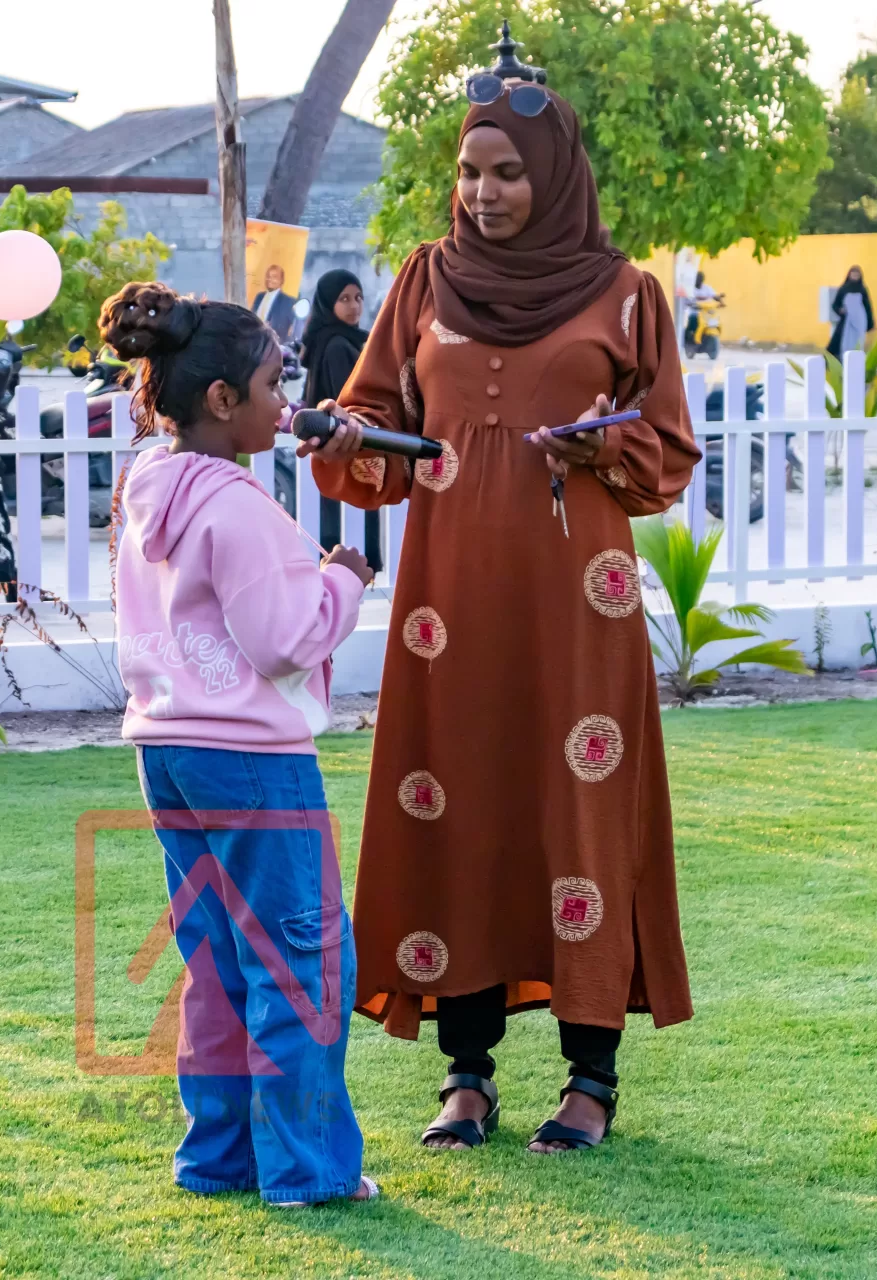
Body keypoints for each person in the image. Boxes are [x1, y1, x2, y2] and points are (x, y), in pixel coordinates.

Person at [303, 47, 701, 1154]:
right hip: (448, 604)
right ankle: (465, 1074)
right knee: (455, 803)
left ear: (554, 175)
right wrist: (346, 436)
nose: (485, 191)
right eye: (471, 171)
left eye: (507, 173)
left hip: (579, 602)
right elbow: (377, 422)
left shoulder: (627, 296)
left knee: (576, 806)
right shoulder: (424, 282)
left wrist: (603, 441)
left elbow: (667, 449)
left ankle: (589, 1080)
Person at [106, 280, 378, 1207]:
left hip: (169, 754)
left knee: (217, 963)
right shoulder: (241, 511)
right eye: (273, 384)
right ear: (224, 400)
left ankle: (218, 1158)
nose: (289, 402)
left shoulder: (149, 487)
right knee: (301, 963)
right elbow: (285, 638)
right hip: (256, 763)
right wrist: (341, 582)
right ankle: (309, 1172)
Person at [299, 269, 379, 569]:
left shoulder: (331, 339)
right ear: (327, 303)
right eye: (344, 299)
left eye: (358, 297)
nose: (354, 306)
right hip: (345, 443)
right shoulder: (337, 345)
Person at [827, 265, 873, 361]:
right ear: (849, 275)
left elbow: (868, 306)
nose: (855, 277)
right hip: (846, 320)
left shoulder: (862, 289)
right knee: (844, 341)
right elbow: (835, 305)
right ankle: (843, 361)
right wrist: (840, 310)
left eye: (857, 275)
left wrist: (870, 323)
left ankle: (857, 361)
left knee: (858, 341)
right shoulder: (844, 288)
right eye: (853, 275)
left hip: (860, 321)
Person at [251, 263, 296, 342]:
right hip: (254, 340)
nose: (270, 279)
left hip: (272, 345)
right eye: (268, 276)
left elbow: (295, 328)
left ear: (282, 280)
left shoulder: (288, 302)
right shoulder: (259, 297)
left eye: (274, 277)